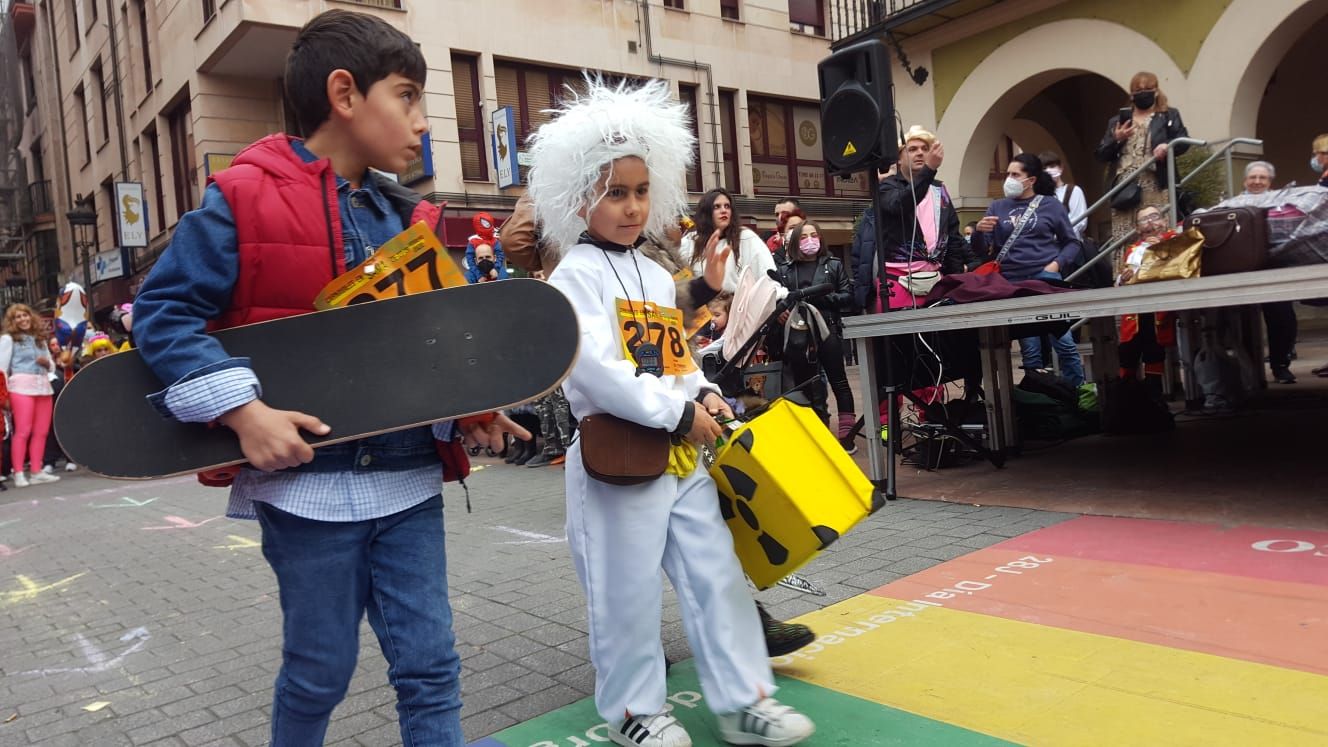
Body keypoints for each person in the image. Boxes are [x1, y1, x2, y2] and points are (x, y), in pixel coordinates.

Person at [130, 11, 463, 745]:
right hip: (306, 489)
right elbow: (161, 315)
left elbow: (422, 342)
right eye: (407, 96)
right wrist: (243, 411)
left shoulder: (409, 218)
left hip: (408, 478)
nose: (421, 121)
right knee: (320, 670)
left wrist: (470, 408)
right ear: (345, 94)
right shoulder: (241, 197)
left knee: (432, 667)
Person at [530, 77, 815, 747]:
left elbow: (672, 357)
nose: (631, 207)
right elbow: (596, 369)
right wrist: (678, 408)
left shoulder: (659, 278)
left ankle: (746, 699)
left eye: (639, 190)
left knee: (715, 571)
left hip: (678, 452)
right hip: (617, 458)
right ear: (581, 199)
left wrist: (704, 392)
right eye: (614, 193)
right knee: (623, 589)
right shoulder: (575, 274)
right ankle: (635, 713)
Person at [972, 153, 1086, 386]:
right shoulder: (997, 206)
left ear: (1030, 180)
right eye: (1008, 174)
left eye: (1015, 175)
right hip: (1011, 283)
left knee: (1064, 342)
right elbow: (983, 250)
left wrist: (1054, 265)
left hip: (1045, 279)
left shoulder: (1050, 205)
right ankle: (1038, 393)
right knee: (1029, 346)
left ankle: (1078, 394)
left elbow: (1072, 242)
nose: (1009, 179)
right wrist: (978, 232)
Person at [851, 125, 967, 313]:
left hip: (937, 284)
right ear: (898, 158)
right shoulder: (887, 187)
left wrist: (958, 282)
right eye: (912, 149)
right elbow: (900, 204)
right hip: (897, 285)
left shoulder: (939, 191)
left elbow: (952, 239)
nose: (920, 153)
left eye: (925, 149)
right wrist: (929, 170)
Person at [774, 222, 856, 451]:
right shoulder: (785, 270)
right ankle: (819, 434)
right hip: (800, 335)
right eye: (804, 236)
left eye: (814, 235)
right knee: (810, 385)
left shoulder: (834, 265)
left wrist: (819, 298)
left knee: (839, 381)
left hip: (828, 330)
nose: (810, 240)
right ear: (795, 242)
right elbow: (778, 299)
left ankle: (847, 437)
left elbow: (847, 297)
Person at [1095, 71, 1190, 245]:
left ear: (1156, 91)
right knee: (1126, 233)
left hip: (1156, 182)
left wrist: (1167, 146)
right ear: (1131, 95)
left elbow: (1184, 142)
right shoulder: (1118, 121)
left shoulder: (1168, 115)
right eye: (1138, 90)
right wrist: (1117, 139)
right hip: (1125, 184)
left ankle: (1162, 267)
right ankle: (1127, 270)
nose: (1143, 93)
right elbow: (1101, 154)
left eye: (1148, 89)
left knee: (1157, 227)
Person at [1239, 161, 1298, 384]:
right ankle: (1250, 369)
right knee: (1242, 319)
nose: (1257, 181)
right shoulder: (1234, 204)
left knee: (1282, 316)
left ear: (1270, 182)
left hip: (1275, 264)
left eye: (1262, 178)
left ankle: (1280, 365)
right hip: (1243, 268)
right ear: (1245, 181)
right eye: (1253, 177)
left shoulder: (1281, 203)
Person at [1116, 205, 1176, 395]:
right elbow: (1122, 280)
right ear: (1137, 228)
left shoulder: (1175, 241)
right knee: (1127, 352)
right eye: (1144, 219)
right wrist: (1123, 278)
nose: (1150, 222)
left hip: (1160, 307)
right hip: (1135, 308)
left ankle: (1155, 398)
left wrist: (1157, 248)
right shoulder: (1133, 249)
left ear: (1164, 221)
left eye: (1154, 216)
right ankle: (1128, 399)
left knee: (1153, 351)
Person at [0, 304, 61, 487]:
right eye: (18, 317)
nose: (23, 319)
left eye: (25, 315)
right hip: (21, 386)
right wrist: (4, 395)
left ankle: (36, 470)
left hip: (43, 385)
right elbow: (2, 368)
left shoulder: (40, 338)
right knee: (23, 431)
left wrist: (47, 364)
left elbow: (51, 366)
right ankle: (18, 473)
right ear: (12, 321)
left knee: (41, 431)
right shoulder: (8, 339)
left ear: (30, 317)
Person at [682, 188, 777, 294]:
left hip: (736, 306)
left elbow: (766, 273)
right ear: (707, 212)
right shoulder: (690, 241)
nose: (724, 210)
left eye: (727, 206)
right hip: (702, 307)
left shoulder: (747, 238)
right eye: (717, 207)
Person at [1040, 151, 1088, 237]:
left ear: (1061, 168)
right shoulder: (1039, 195)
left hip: (1069, 242)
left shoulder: (1073, 191)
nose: (1048, 171)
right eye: (1044, 168)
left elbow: (1079, 221)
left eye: (1052, 166)